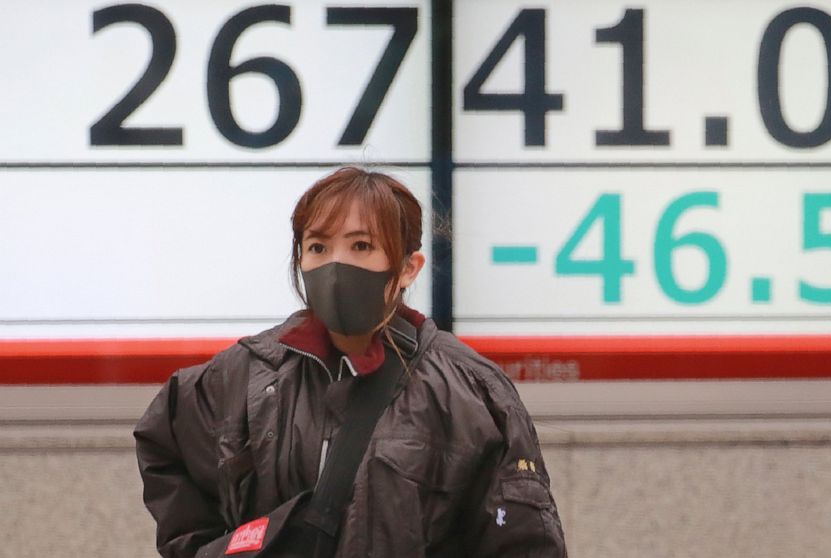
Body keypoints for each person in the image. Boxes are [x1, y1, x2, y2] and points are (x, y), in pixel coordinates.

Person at [134, 167, 567, 557]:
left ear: (408, 268)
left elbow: (523, 542)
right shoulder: (247, 373)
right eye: (318, 247)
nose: (336, 265)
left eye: (361, 246)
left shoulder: (469, 390)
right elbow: (164, 442)